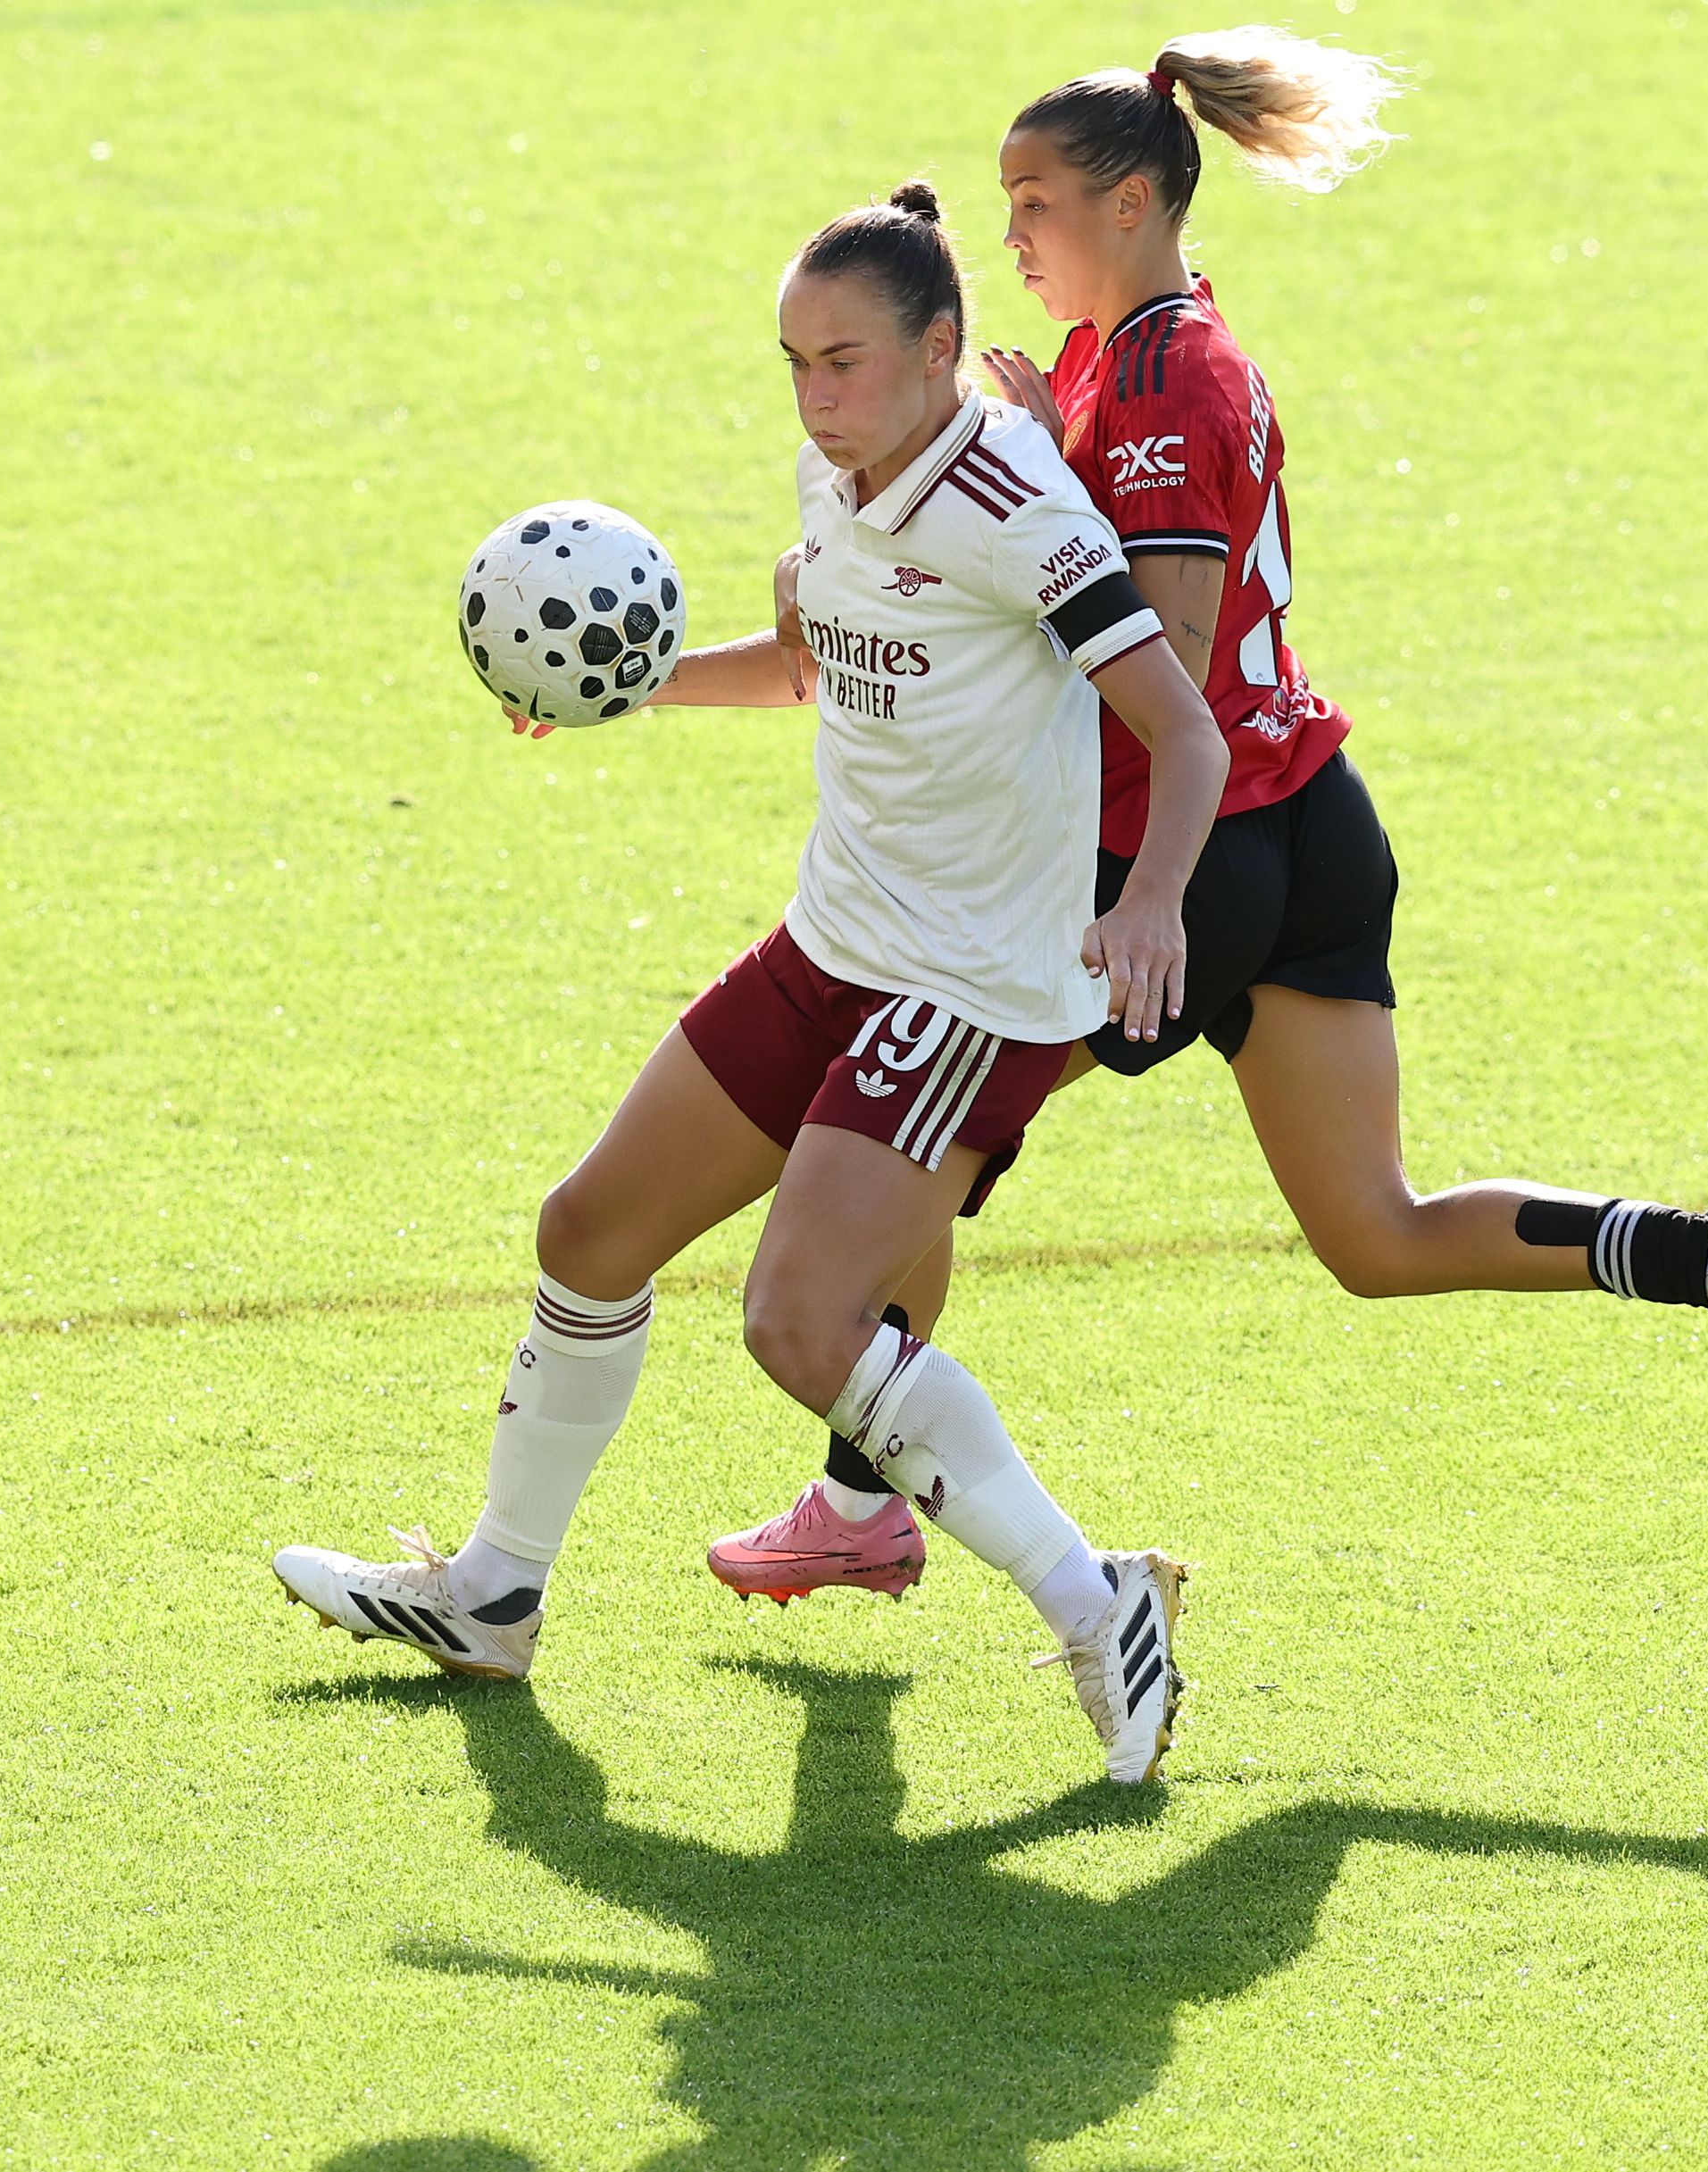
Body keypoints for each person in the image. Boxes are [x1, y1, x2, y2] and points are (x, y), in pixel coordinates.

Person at [709, 31, 1708, 1609]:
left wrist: (1144, 881)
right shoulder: (1130, 356)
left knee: (908, 1145)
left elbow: (1166, 659)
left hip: (1194, 857)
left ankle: (860, 1501)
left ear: (1129, 203)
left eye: (1031, 202)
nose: (1010, 239)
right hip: (1312, 819)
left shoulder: (1172, 372)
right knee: (1373, 1233)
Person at [273, 184, 1234, 1785]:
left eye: (845, 361)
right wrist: (627, 690)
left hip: (966, 989)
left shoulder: (1023, 509)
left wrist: (1146, 906)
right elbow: (816, 659)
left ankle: (1098, 1602)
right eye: (794, 361)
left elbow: (1182, 729)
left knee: (797, 1322)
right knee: (588, 1232)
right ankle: (491, 1599)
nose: (816, 396)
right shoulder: (839, 475)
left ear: (940, 351)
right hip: (832, 945)